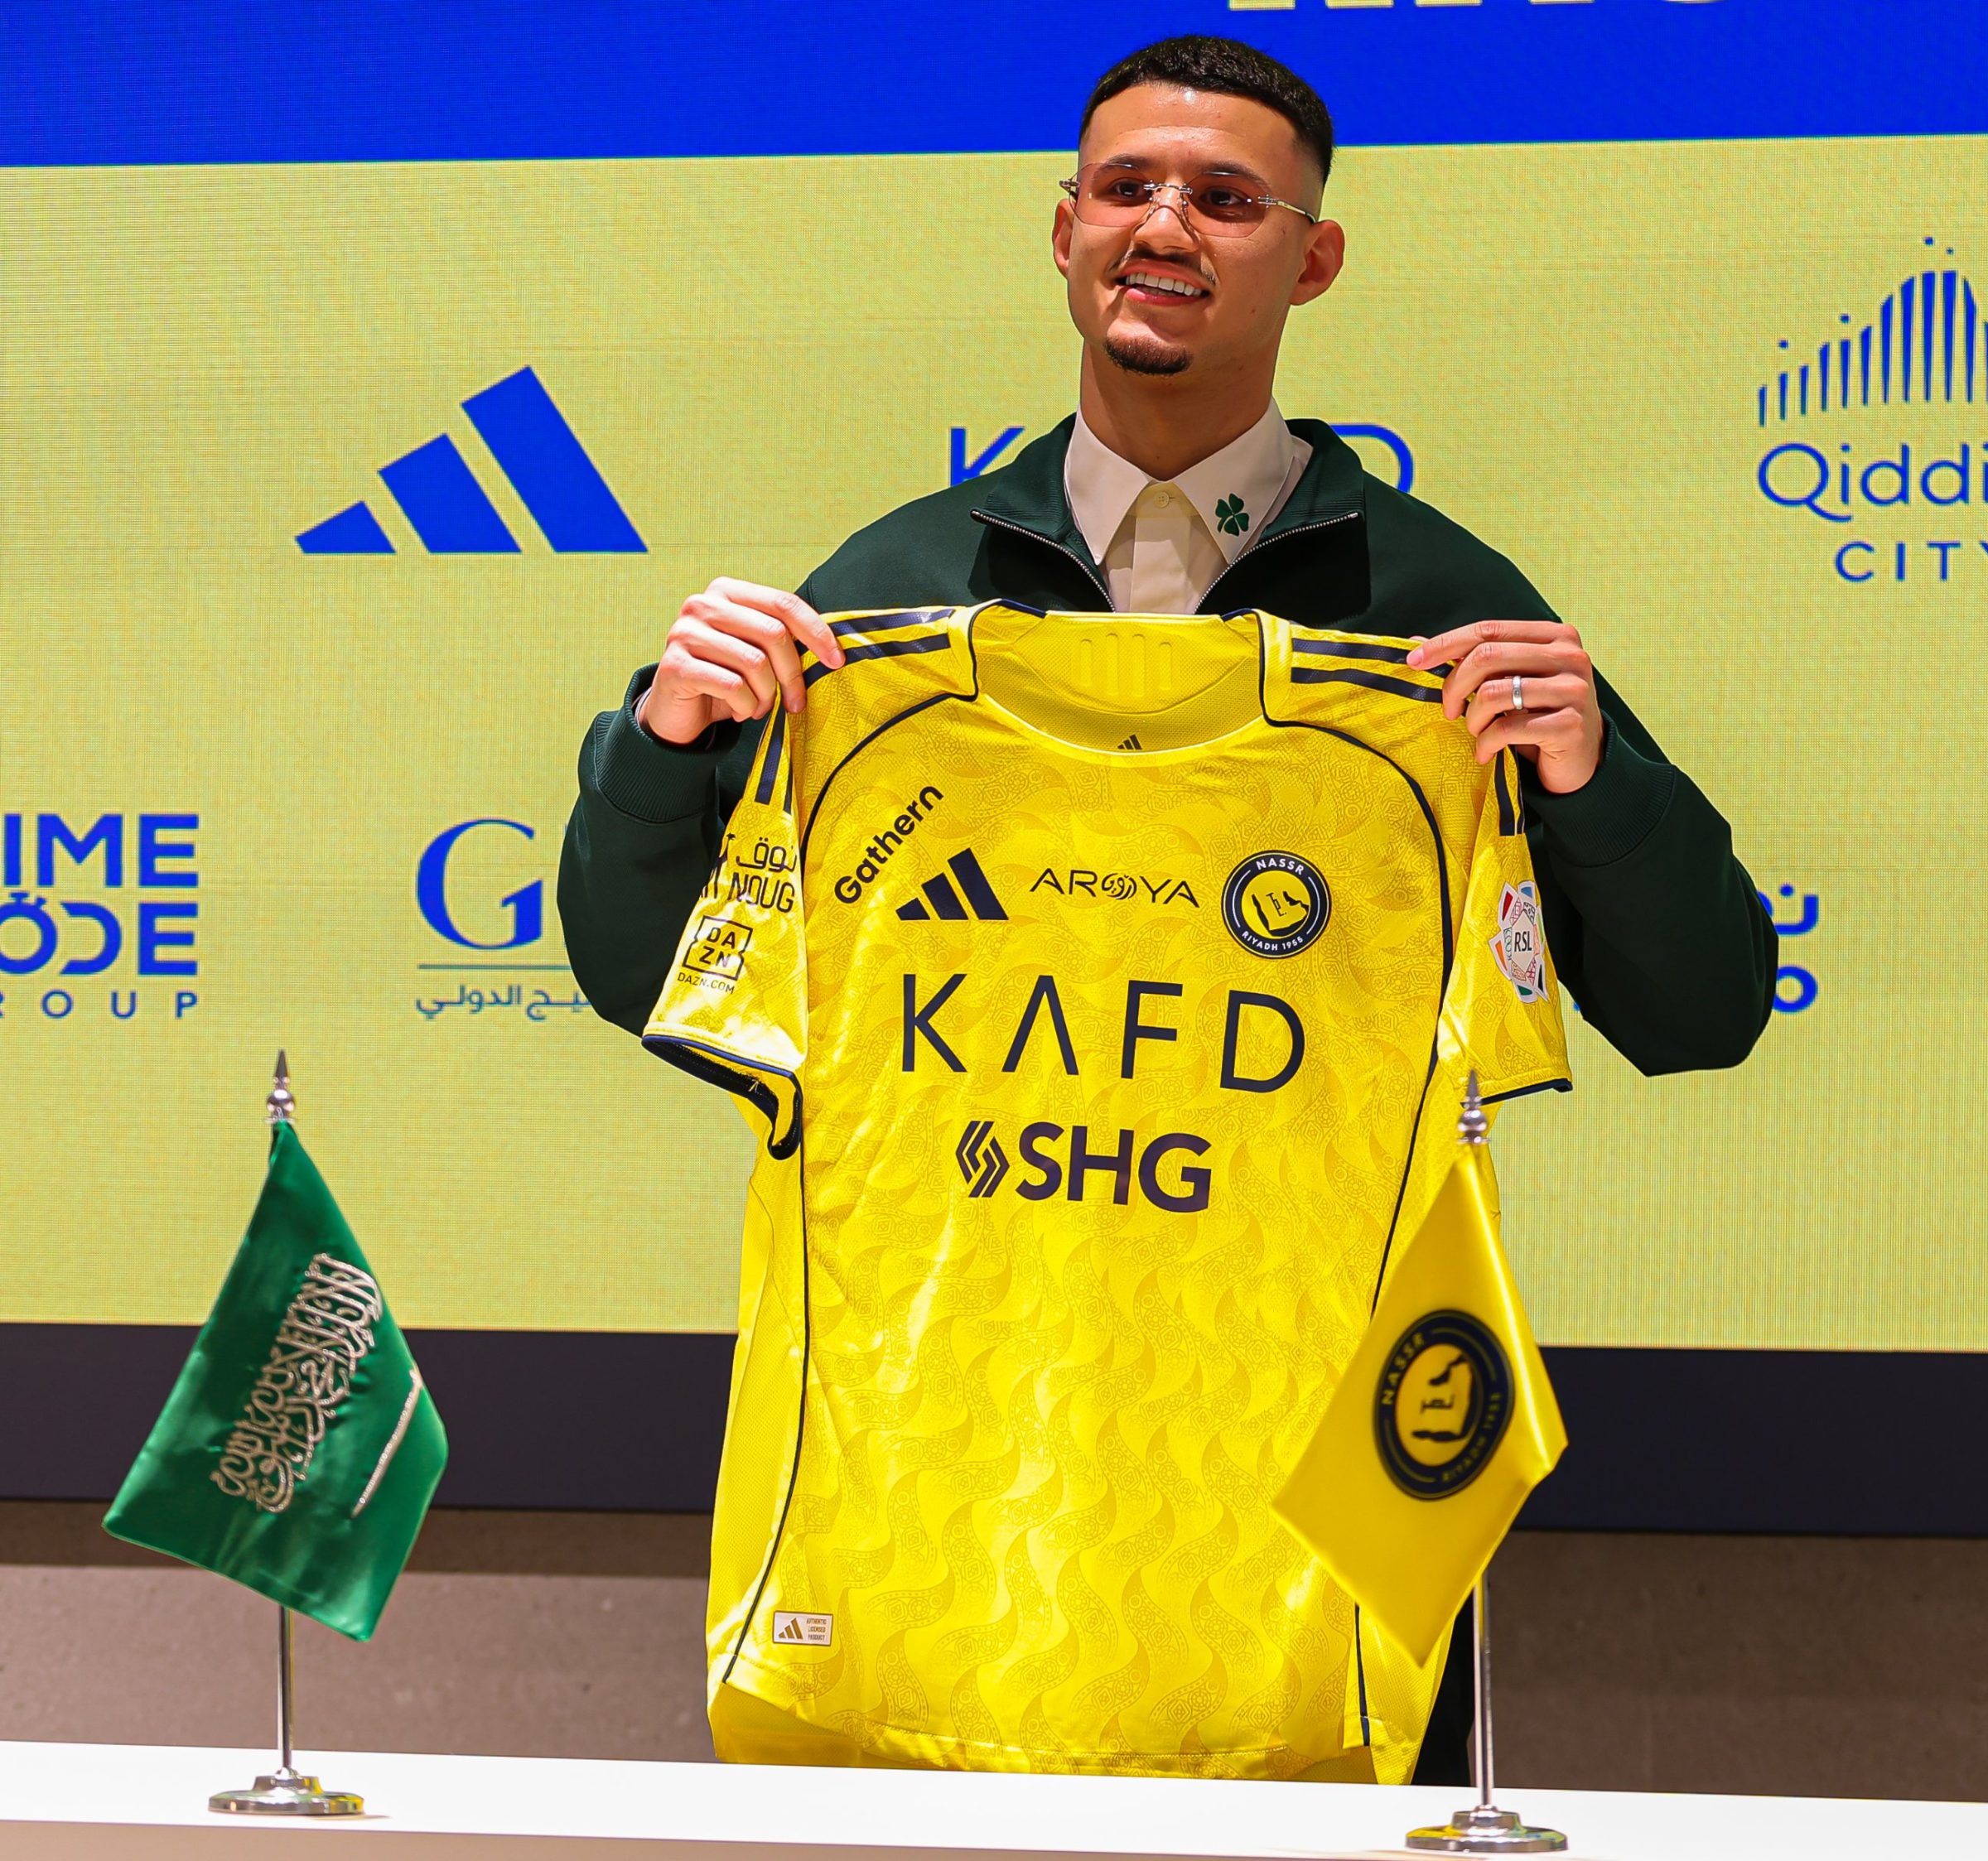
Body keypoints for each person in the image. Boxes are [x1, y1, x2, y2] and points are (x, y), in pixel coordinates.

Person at [560, 34, 1775, 1781]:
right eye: (1126, 187)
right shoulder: (881, 603)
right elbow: (648, 980)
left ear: (1314, 257)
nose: (1164, 225)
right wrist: (662, 748)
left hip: (1303, 1539)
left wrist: (1591, 790)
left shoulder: (1436, 615)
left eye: (1225, 197)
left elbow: (1703, 1004)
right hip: (942, 1514)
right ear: (1061, 229)